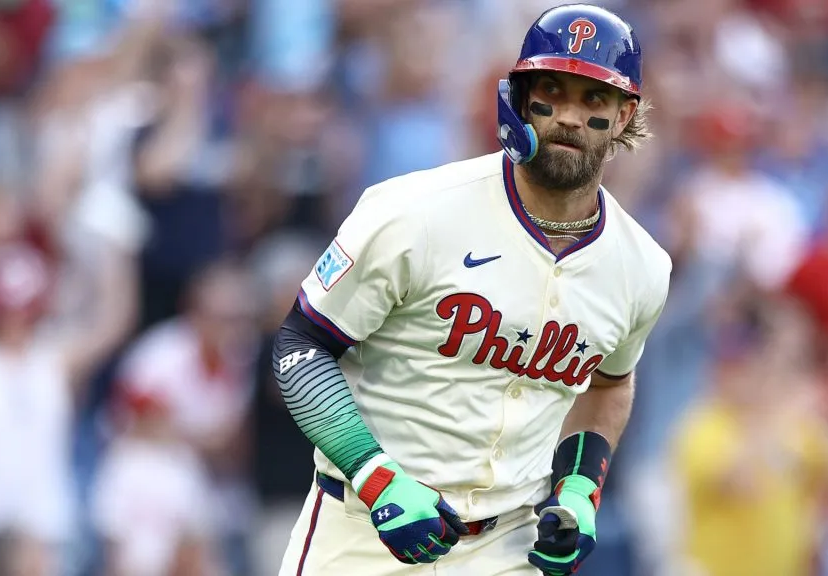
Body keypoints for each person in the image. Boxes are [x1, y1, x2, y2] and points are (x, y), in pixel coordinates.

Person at [272, 4, 671, 576]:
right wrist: (373, 473)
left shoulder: (642, 267)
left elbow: (609, 384)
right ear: (517, 97)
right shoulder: (413, 211)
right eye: (551, 91)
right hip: (363, 532)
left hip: (511, 545)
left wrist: (581, 489)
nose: (568, 116)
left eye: (593, 99)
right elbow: (300, 346)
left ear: (625, 114)